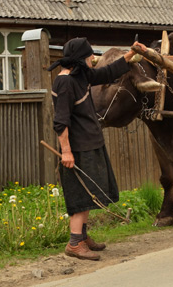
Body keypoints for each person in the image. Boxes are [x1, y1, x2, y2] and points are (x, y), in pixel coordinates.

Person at [48, 37, 145, 261]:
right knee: (80, 194)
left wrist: (129, 56)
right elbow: (61, 122)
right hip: (78, 148)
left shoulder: (81, 75)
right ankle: (74, 243)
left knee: (89, 193)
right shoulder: (64, 83)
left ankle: (82, 236)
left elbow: (106, 73)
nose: (93, 58)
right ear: (80, 58)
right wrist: (66, 152)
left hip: (90, 144)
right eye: (89, 55)